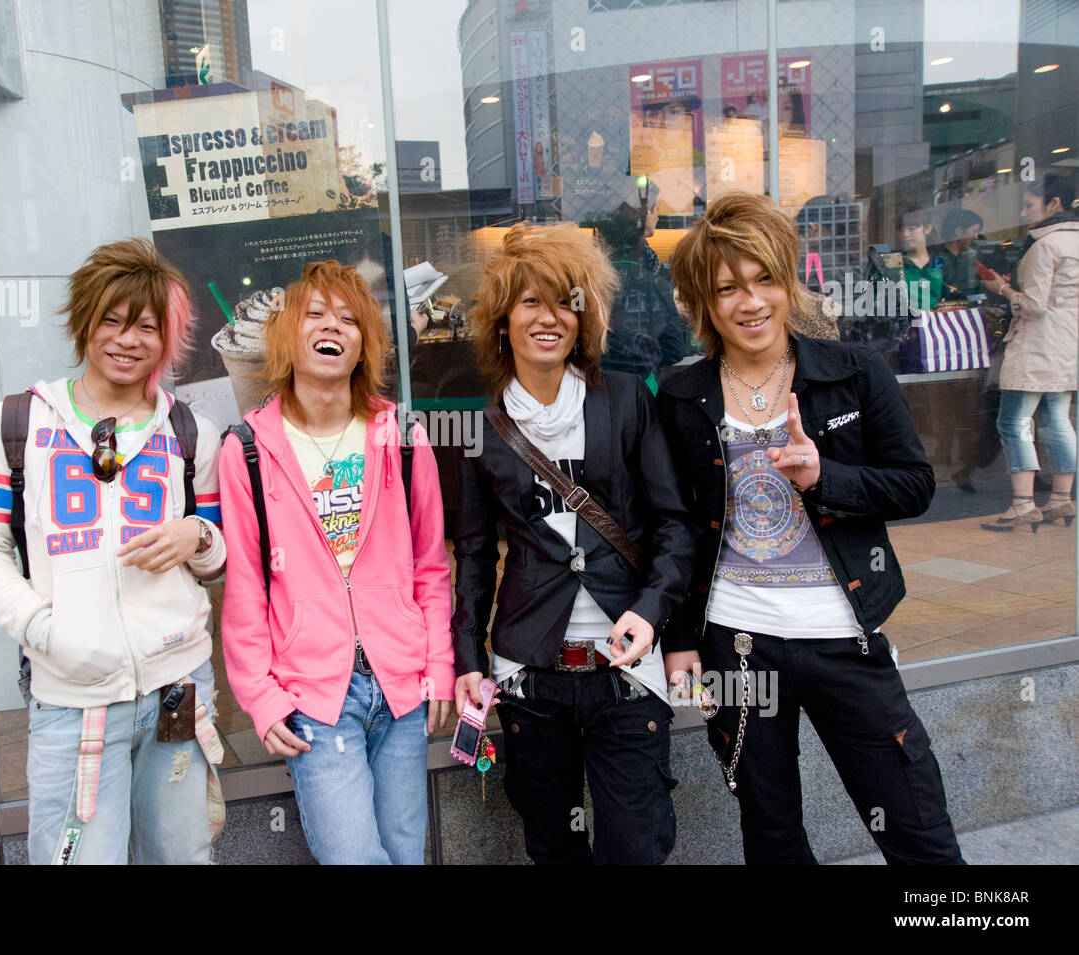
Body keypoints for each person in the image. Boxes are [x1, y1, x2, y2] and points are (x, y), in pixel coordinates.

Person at [657, 193, 963, 865]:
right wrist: (679, 640)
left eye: (764, 277)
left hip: (842, 637)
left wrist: (826, 477)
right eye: (728, 287)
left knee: (915, 824)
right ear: (704, 304)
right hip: (738, 642)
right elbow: (673, 527)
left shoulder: (854, 374)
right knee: (770, 832)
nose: (751, 301)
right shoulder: (681, 397)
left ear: (789, 278)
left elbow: (915, 484)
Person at [0, 238, 228, 865]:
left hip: (178, 689)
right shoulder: (20, 423)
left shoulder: (191, 434)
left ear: (167, 340)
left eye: (147, 327)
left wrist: (199, 535)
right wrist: (45, 630)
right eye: (112, 320)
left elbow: (216, 560)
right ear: (84, 322)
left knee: (181, 856)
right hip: (72, 700)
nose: (127, 340)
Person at [452, 222, 697, 865]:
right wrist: (466, 660)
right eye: (530, 301)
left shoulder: (625, 403)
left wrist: (652, 613)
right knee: (553, 846)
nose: (549, 317)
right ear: (502, 319)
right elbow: (474, 556)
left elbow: (674, 524)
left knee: (634, 846)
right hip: (532, 676)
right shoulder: (480, 430)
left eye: (565, 300)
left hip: (626, 670)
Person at [218, 260, 454, 865]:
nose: (333, 326)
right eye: (315, 314)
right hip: (315, 698)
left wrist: (438, 665)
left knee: (405, 855)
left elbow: (430, 567)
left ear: (364, 344)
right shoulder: (246, 448)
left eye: (350, 319)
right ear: (287, 335)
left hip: (401, 688)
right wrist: (261, 696)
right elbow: (245, 584)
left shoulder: (401, 436)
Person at [980, 174, 1079, 531]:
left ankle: (1023, 504)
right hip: (1068, 344)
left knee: (1014, 421)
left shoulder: (1044, 245)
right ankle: (1062, 500)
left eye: (1029, 204)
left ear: (1054, 204)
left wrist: (1002, 289)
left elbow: (1033, 305)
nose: (1023, 213)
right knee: (1058, 420)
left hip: (1037, 343)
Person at [604, 180, 688, 382]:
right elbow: (674, 350)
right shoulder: (650, 279)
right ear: (645, 214)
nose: (658, 215)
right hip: (641, 385)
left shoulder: (596, 273)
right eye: (657, 208)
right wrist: (669, 315)